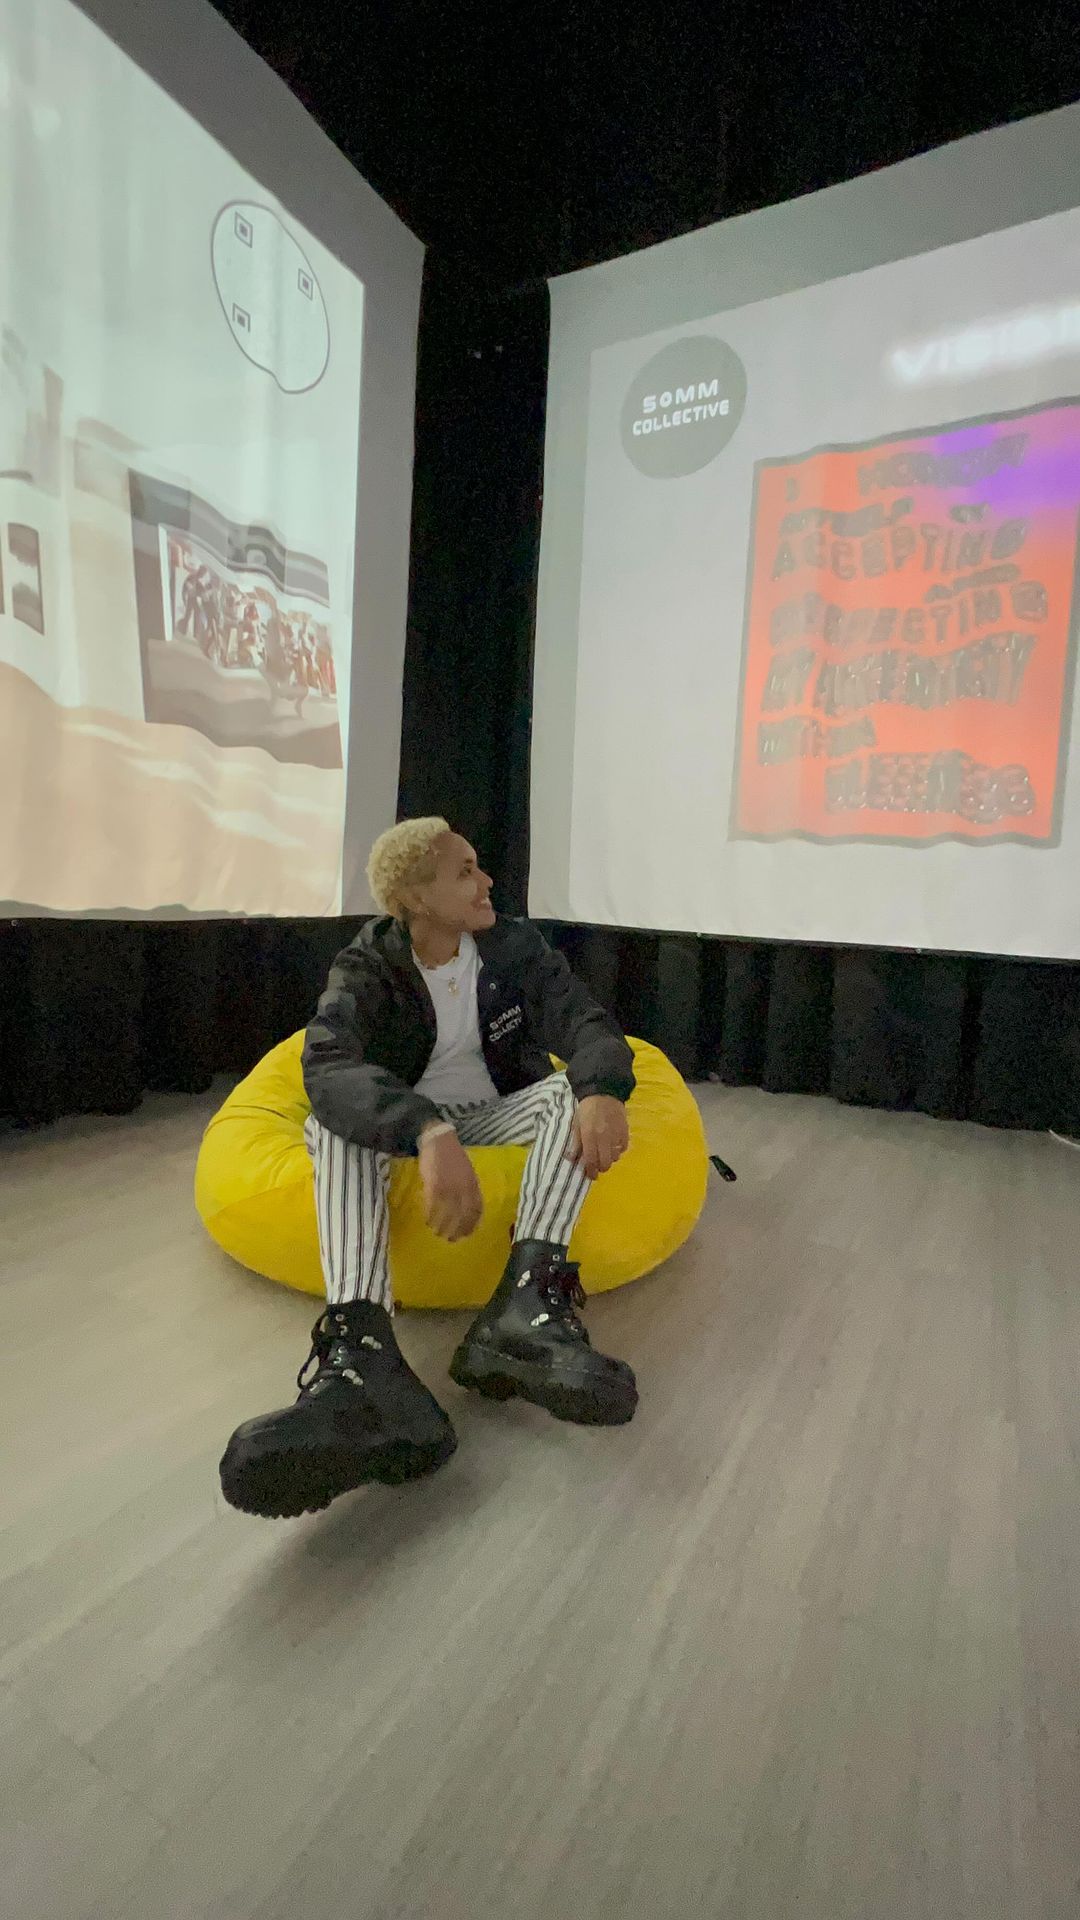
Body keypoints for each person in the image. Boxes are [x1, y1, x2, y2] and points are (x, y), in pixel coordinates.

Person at [220, 816, 638, 1519]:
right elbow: (329, 1065)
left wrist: (601, 1088)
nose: (487, 881)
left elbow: (585, 1019)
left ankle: (524, 1312)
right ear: (415, 897)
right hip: (411, 1124)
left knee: (573, 1093)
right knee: (330, 1122)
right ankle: (363, 1359)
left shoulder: (513, 946)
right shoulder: (366, 964)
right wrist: (427, 1129)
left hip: (496, 1114)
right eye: (465, 871)